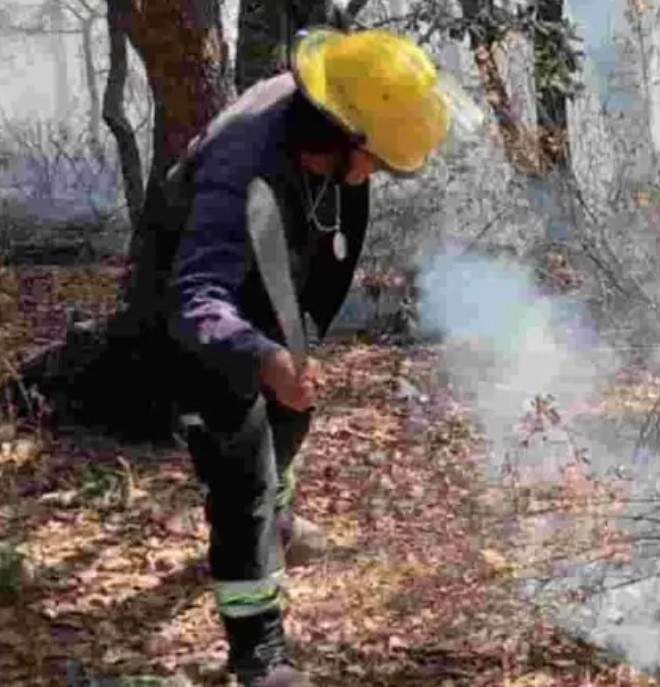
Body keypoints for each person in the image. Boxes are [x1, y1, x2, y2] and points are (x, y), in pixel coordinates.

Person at [165, 27, 480, 687]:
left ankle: (274, 522)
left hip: (265, 298)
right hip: (200, 312)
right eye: (376, 163)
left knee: (291, 416)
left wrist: (293, 349)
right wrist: (261, 354)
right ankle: (259, 655)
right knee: (241, 467)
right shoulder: (241, 165)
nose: (379, 177)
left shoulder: (334, 123)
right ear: (340, 139)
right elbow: (194, 299)